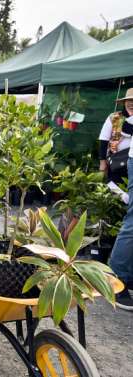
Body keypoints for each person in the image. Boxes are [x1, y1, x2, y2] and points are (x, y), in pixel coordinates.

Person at [107, 88, 133, 311]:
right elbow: (106, 139)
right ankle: (116, 280)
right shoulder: (120, 120)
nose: (131, 103)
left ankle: (126, 276)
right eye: (129, 101)